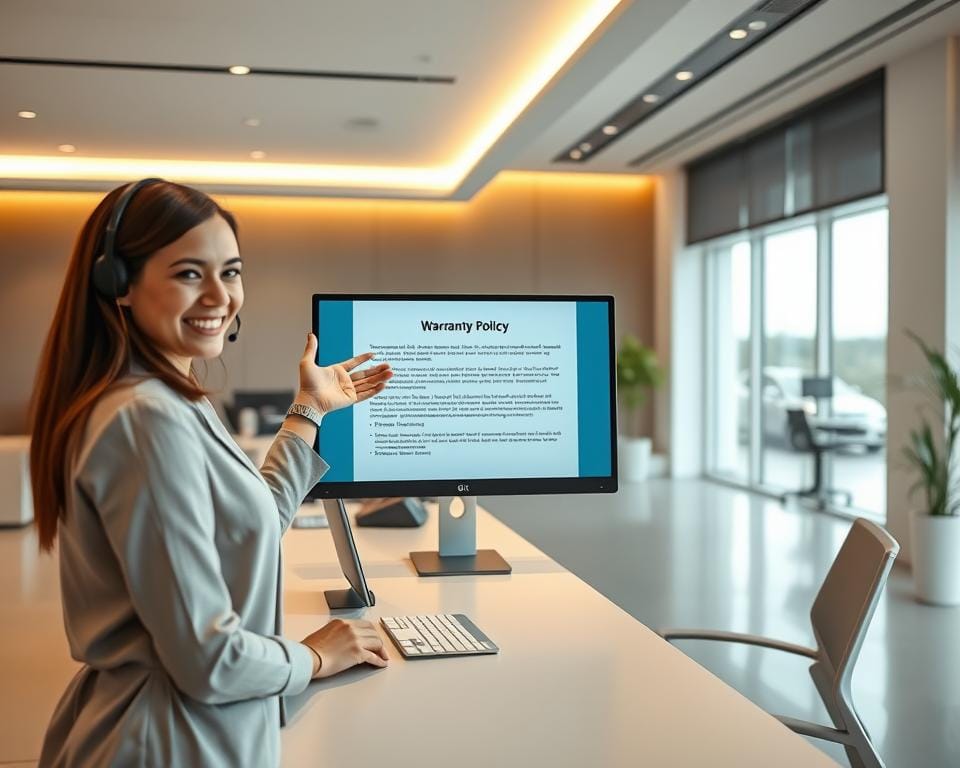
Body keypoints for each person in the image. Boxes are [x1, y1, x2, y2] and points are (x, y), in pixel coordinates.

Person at [28, 178, 393, 767]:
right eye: (188, 274)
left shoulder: (174, 397)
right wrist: (312, 659)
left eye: (230, 272)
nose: (220, 297)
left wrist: (310, 411)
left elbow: (243, 531)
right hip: (165, 741)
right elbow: (209, 660)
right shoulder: (145, 418)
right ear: (117, 285)